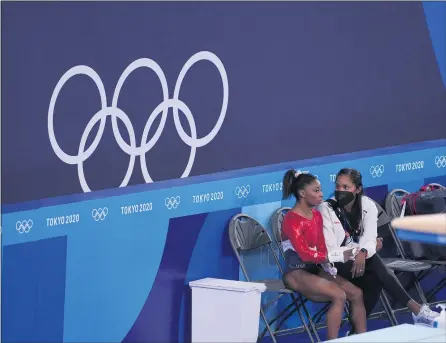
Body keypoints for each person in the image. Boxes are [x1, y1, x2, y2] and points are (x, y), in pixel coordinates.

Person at [317, 168, 440, 332]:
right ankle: (416, 310)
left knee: (374, 279)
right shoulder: (327, 208)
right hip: (334, 263)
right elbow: (331, 248)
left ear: (358, 189)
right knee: (374, 264)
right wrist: (362, 250)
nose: (340, 191)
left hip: (359, 259)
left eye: (346, 187)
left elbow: (369, 237)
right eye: (338, 186)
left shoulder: (368, 205)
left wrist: (363, 251)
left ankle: (355, 333)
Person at [280, 170, 367, 340]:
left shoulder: (317, 215)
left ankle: (364, 339)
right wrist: (336, 256)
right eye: (316, 191)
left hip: (315, 269)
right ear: (302, 193)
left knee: (356, 294)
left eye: (320, 190)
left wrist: (331, 264)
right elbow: (305, 255)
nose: (321, 195)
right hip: (295, 273)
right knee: (338, 295)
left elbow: (321, 248)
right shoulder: (291, 220)